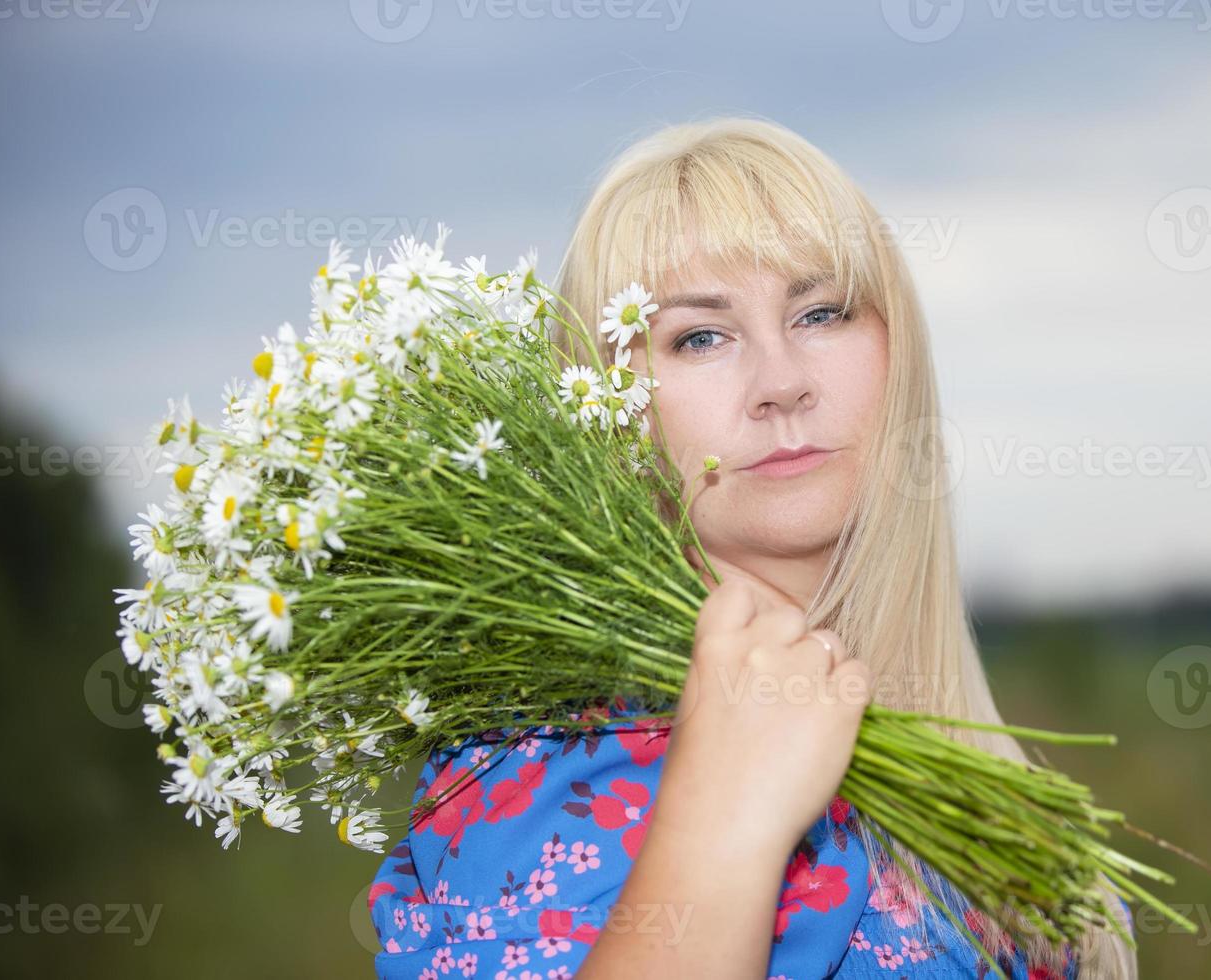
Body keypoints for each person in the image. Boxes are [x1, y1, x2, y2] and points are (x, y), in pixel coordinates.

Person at [368, 116, 1137, 979]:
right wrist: (720, 817)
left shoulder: (971, 782)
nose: (781, 383)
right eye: (701, 336)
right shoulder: (544, 775)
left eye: (821, 312)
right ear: (607, 414)